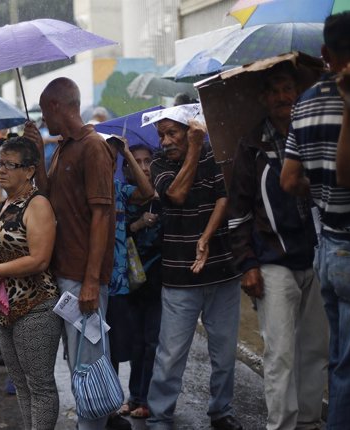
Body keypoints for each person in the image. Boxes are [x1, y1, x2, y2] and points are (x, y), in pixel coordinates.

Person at [280, 12, 350, 429]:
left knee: (340, 360)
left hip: (327, 250)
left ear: (323, 53)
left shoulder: (303, 103)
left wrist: (320, 189)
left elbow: (290, 179)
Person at [227, 64, 328, 430]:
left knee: (315, 349)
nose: (284, 97)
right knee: (281, 353)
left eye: (289, 89)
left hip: (317, 257)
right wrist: (247, 264)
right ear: (263, 99)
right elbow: (237, 212)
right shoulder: (252, 145)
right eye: (275, 91)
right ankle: (282, 425)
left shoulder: (313, 136)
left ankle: (310, 421)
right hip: (273, 261)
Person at [24, 77, 116, 430]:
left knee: (88, 363)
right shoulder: (63, 147)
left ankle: (92, 425)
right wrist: (36, 149)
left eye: (45, 113)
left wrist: (91, 281)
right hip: (67, 275)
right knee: (78, 359)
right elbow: (48, 196)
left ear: (57, 107)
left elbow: (101, 216)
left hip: (83, 278)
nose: (44, 121)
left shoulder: (93, 146)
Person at [144, 104, 242, 430]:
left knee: (225, 352)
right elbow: (176, 194)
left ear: (190, 130)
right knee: (171, 354)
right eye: (161, 135)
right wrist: (195, 149)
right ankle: (160, 416)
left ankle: (221, 412)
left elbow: (224, 198)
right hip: (178, 276)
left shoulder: (215, 154)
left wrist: (206, 236)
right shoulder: (159, 164)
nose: (165, 141)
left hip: (223, 271)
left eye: (172, 133)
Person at [0, 136, 63, 430]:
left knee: (40, 387)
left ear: (29, 170)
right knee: (21, 386)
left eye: (9, 164)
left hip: (35, 306)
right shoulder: (5, 203)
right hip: (4, 307)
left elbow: (39, 259)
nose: (0, 170)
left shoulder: (37, 205)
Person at [105, 136, 155, 430]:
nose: (108, 162)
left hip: (120, 283)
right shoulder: (87, 189)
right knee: (100, 352)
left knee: (118, 348)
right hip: (96, 283)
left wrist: (126, 152)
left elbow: (147, 191)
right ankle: (105, 409)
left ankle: (113, 405)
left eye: (113, 159)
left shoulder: (118, 189)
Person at [118, 144, 162, 421]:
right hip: (132, 279)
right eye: (138, 162)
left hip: (158, 277)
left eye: (148, 161)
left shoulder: (164, 194)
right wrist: (137, 224)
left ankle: (148, 398)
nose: (144, 167)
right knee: (134, 342)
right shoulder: (124, 197)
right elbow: (115, 233)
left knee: (153, 342)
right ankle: (134, 396)